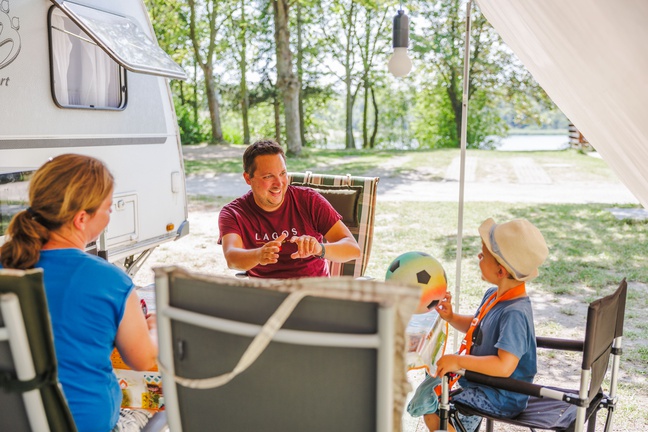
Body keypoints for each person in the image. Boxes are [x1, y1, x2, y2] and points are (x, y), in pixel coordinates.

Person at [0, 154, 157, 432]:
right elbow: (145, 361)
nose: (110, 215)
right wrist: (154, 329)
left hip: (10, 420)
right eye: (108, 208)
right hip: (84, 425)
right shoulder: (108, 280)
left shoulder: (7, 266)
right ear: (81, 218)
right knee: (155, 395)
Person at [409, 217, 548, 432]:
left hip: (502, 395)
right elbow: (479, 327)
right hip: (485, 383)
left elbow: (504, 366)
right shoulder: (495, 295)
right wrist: (452, 317)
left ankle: (459, 425)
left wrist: (459, 360)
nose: (478, 257)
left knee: (436, 409)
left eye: (483, 255)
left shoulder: (515, 313)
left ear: (501, 272)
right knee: (433, 381)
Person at [218, 139, 361, 278]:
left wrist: (319, 249)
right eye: (268, 176)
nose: (279, 183)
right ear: (248, 178)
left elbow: (353, 249)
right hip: (267, 295)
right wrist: (259, 255)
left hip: (314, 293)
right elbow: (232, 258)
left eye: (282, 174)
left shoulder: (309, 200)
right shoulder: (233, 213)